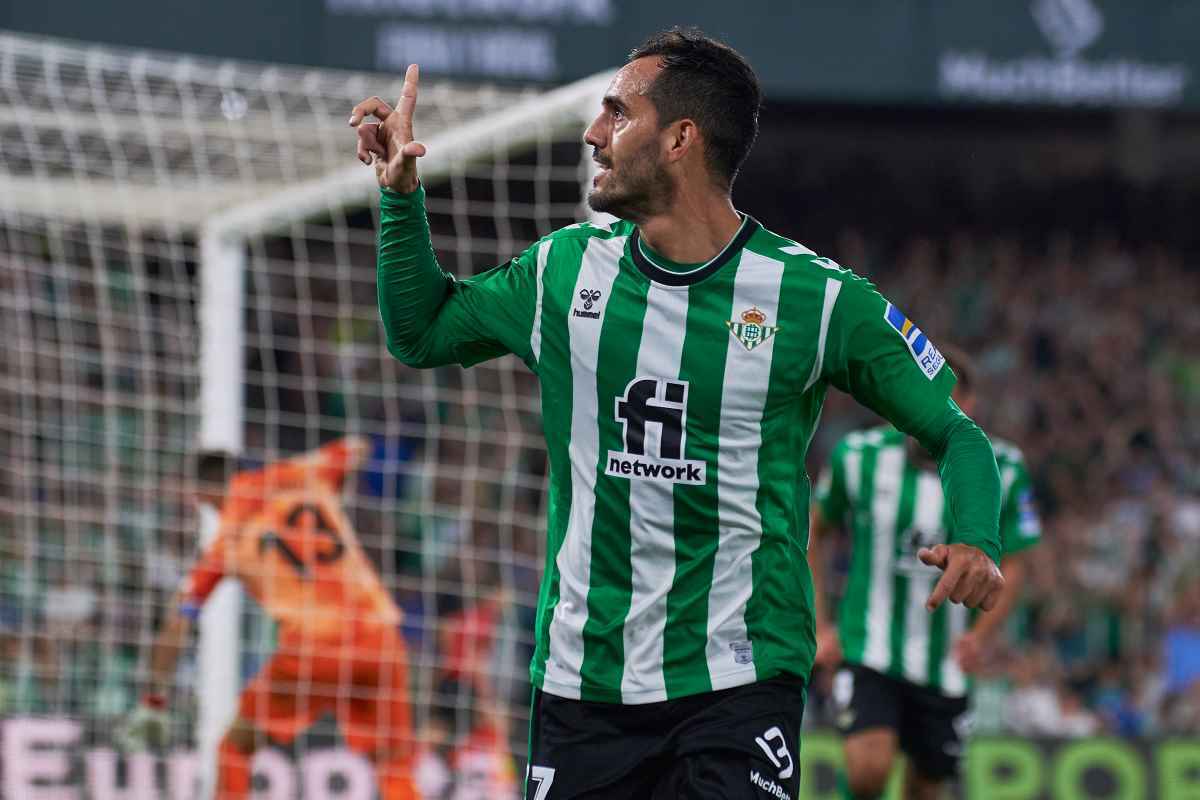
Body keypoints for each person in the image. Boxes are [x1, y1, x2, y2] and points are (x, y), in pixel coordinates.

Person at [354, 27, 1004, 799]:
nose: (594, 133)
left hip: (737, 675)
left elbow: (956, 432)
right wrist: (400, 199)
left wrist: (975, 535)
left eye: (617, 114)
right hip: (583, 678)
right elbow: (422, 332)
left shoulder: (817, 298)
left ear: (679, 139)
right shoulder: (563, 271)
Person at [119, 438, 417, 800]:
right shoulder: (301, 474)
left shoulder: (226, 542)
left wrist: (154, 700)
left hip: (313, 649)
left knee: (234, 748)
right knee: (393, 765)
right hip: (379, 636)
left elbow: (179, 620)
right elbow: (358, 447)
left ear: (202, 491)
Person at [809, 347, 1042, 799]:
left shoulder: (1005, 468)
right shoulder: (858, 456)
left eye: (950, 398)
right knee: (867, 770)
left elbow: (1015, 560)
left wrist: (982, 635)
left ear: (970, 405)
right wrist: (819, 625)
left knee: (927, 787)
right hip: (869, 646)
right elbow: (815, 532)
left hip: (946, 662)